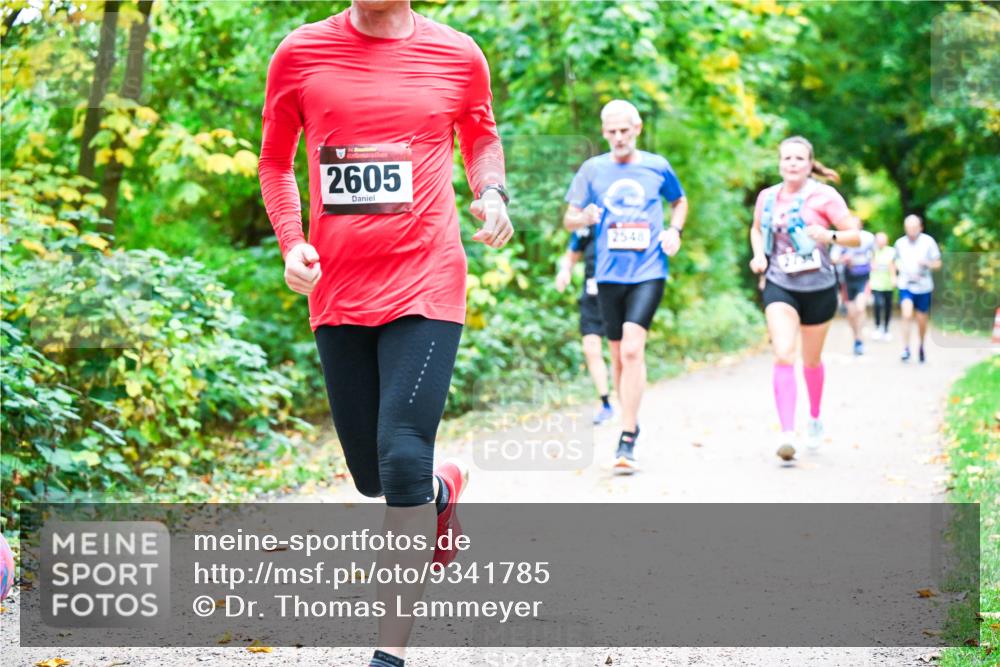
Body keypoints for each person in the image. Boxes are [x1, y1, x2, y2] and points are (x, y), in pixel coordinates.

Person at [258, 2, 512, 665]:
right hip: (337, 288)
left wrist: (492, 193)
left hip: (427, 278)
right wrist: (292, 243)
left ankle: (387, 655)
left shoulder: (457, 54)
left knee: (401, 454)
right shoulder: (300, 53)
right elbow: (275, 163)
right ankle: (442, 493)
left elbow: (481, 137)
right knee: (373, 474)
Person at [563, 99, 688, 474]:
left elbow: (679, 201)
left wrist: (673, 231)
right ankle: (627, 415)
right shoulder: (592, 170)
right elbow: (570, 218)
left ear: (637, 129)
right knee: (618, 355)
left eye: (624, 130)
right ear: (604, 133)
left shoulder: (656, 166)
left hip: (648, 269)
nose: (618, 137)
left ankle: (628, 433)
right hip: (608, 274)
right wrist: (583, 216)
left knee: (633, 348)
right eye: (612, 131)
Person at [749, 136, 862, 462]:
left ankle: (813, 416)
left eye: (800, 158)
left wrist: (829, 236)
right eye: (787, 158)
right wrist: (759, 255)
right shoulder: (767, 197)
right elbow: (756, 229)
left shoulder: (824, 196)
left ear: (810, 163)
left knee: (811, 360)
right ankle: (787, 433)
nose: (793, 163)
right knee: (784, 354)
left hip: (819, 287)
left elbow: (855, 236)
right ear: (780, 162)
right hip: (779, 283)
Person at [556, 228, 615, 424]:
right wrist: (565, 271)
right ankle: (605, 403)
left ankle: (626, 399)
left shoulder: (623, 218)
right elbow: (571, 253)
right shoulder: (588, 226)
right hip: (592, 296)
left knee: (621, 350)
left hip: (618, 294)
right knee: (591, 348)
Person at [894, 214, 942, 363]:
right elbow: (893, 261)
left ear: (920, 227)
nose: (911, 230)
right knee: (906, 314)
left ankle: (921, 346)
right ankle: (906, 348)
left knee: (922, 320)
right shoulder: (900, 243)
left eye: (914, 227)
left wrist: (927, 263)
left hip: (924, 286)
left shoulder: (928, 242)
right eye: (908, 227)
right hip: (906, 284)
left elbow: (938, 263)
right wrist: (893, 277)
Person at [832, 223, 875, 355]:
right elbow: (833, 259)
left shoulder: (868, 238)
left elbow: (875, 254)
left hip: (863, 278)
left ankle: (860, 339)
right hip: (847, 280)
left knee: (860, 308)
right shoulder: (840, 239)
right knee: (851, 314)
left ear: (860, 226)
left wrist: (872, 263)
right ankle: (856, 338)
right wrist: (843, 259)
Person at [869, 231, 897, 341]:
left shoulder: (892, 251)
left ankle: (886, 328)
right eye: (879, 240)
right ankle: (877, 327)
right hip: (876, 284)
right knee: (878, 304)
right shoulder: (872, 252)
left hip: (888, 284)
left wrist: (894, 278)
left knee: (888, 306)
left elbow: (894, 265)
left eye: (883, 240)